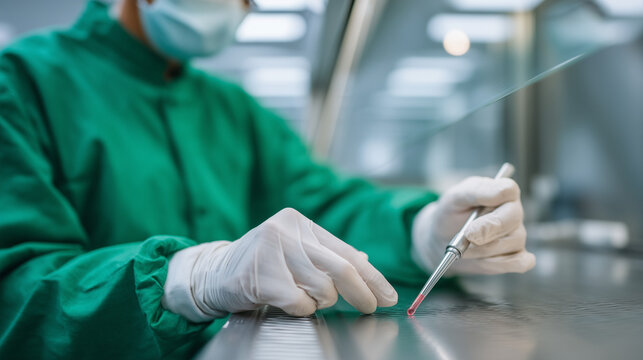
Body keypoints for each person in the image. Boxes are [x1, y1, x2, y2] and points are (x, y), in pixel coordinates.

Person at [0, 0, 535, 358]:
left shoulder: (232, 111)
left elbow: (325, 208)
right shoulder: (20, 85)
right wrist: (189, 277)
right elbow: (15, 290)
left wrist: (421, 228)